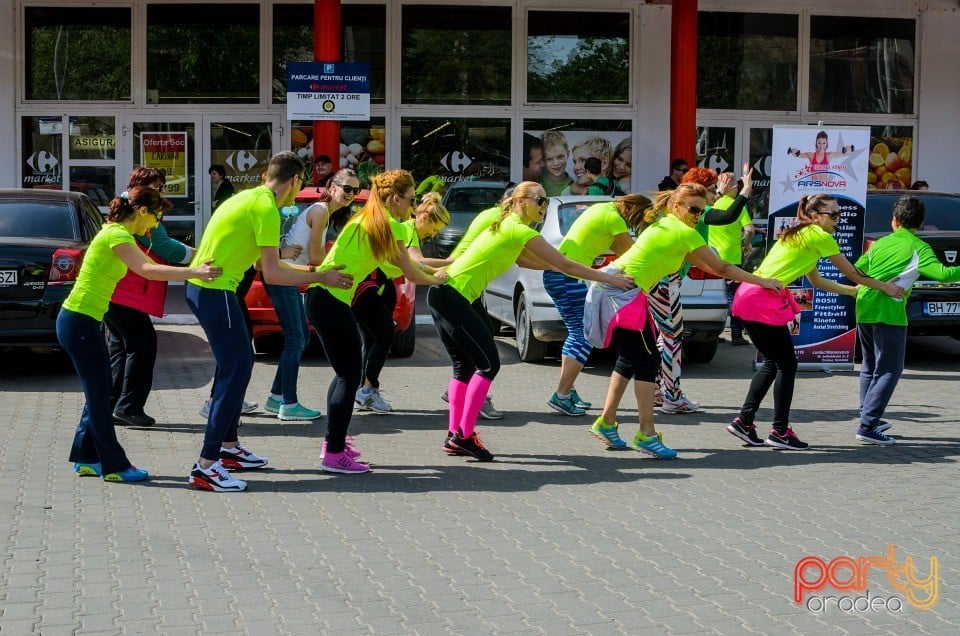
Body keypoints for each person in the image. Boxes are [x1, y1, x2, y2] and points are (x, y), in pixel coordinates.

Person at [429, 181, 636, 462]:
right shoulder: (517, 228)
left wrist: (558, 265)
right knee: (488, 364)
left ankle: (456, 436)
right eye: (540, 200)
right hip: (452, 296)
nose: (544, 206)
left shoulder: (507, 224)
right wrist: (608, 277)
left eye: (546, 201)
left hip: (444, 295)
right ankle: (463, 436)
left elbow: (527, 261)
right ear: (521, 201)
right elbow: (566, 265)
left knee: (464, 366)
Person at [186, 151, 353, 492]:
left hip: (211, 290)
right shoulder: (266, 209)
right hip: (215, 291)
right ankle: (206, 464)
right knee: (236, 371)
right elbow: (274, 275)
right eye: (301, 184)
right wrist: (320, 276)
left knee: (239, 366)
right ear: (294, 181)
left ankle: (229, 448)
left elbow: (265, 266)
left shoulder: (250, 198)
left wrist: (312, 272)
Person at [587, 183, 783, 458]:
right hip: (621, 293)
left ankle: (607, 423)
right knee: (647, 361)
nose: (698, 216)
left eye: (702, 212)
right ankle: (646, 435)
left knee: (631, 359)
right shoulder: (680, 231)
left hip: (620, 293)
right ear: (675, 206)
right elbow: (721, 267)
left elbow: (706, 264)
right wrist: (762, 281)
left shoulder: (668, 226)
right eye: (693, 209)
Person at [60, 187, 222, 483]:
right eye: (157, 217)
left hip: (82, 321)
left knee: (99, 393)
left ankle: (86, 458)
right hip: (78, 323)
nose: (157, 225)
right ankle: (114, 466)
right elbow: (147, 269)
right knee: (100, 398)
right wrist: (194, 272)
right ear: (143, 212)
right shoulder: (118, 235)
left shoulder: (118, 233)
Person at [726, 194, 903, 451]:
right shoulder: (820, 236)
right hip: (763, 299)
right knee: (787, 364)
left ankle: (745, 422)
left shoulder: (800, 234)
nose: (837, 219)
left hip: (747, 296)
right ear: (816, 216)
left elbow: (818, 281)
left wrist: (853, 292)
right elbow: (851, 271)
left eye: (839, 213)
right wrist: (883, 287)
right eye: (833, 214)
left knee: (774, 363)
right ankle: (780, 431)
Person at [306, 170, 446, 474]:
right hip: (329, 301)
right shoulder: (390, 225)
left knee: (346, 373)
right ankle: (333, 453)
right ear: (395, 199)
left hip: (324, 299)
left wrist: (431, 271)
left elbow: (396, 268)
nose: (412, 206)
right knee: (349, 375)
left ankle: (334, 444)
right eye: (410, 200)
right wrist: (441, 278)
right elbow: (410, 272)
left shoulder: (367, 219)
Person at [854, 195, 960, 444]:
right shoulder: (918, 246)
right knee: (890, 369)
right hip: (889, 311)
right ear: (920, 224)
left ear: (894, 221)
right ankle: (868, 426)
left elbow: (857, 269)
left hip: (865, 307)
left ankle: (868, 414)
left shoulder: (879, 243)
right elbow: (943, 275)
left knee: (870, 364)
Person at [261, 174, 363, 422]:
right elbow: (317, 257)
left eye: (356, 191)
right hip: (284, 275)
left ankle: (276, 398)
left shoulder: (325, 212)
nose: (350, 194)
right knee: (296, 340)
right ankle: (289, 404)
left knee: (301, 337)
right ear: (333, 187)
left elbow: (314, 256)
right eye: (346, 188)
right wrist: (341, 263)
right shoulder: (320, 212)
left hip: (292, 276)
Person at [543, 195, 649, 416]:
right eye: (638, 220)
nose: (634, 225)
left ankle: (567, 391)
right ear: (633, 211)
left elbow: (623, 253)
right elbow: (635, 253)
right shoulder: (613, 218)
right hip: (567, 277)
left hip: (562, 276)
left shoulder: (603, 210)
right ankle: (561, 395)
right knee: (583, 336)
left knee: (575, 333)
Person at [105, 168, 194, 428]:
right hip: (124, 294)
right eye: (157, 187)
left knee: (121, 348)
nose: (162, 192)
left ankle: (112, 404)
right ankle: (128, 407)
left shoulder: (124, 210)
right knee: (142, 344)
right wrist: (199, 260)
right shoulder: (137, 215)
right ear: (142, 190)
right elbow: (164, 248)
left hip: (114, 294)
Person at [709, 173, 756, 346]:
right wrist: (746, 244)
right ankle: (736, 334)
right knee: (733, 297)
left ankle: (714, 331)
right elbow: (749, 229)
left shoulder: (711, 205)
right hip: (731, 258)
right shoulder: (738, 207)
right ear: (733, 187)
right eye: (736, 184)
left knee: (713, 296)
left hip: (710, 258)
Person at [787, 131, 853, 173]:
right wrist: (792, 151)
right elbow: (798, 155)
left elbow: (843, 153)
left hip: (826, 187)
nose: (821, 145)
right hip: (814, 188)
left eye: (824, 143)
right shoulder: (811, 155)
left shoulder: (829, 155)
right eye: (819, 143)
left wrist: (849, 149)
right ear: (816, 143)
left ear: (827, 143)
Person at [540, 131, 573, 197]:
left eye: (560, 156)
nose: (556, 163)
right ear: (542, 160)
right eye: (549, 159)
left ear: (568, 154)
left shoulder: (572, 184)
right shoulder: (537, 180)